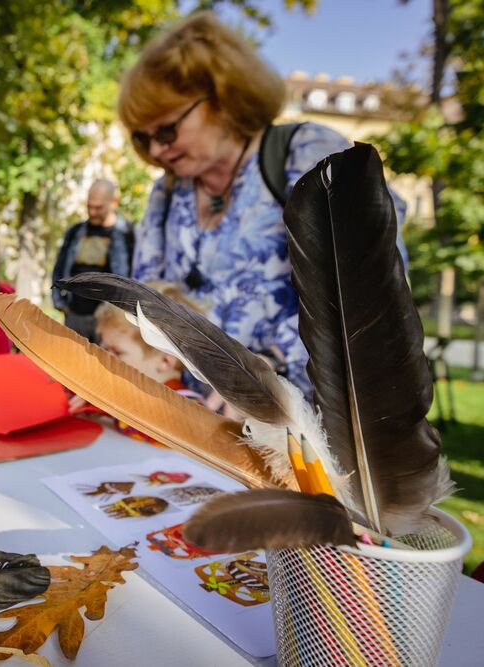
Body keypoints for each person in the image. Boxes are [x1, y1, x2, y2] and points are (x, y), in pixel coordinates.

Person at [118, 12, 408, 396]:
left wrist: (268, 371)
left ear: (220, 98)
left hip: (305, 421)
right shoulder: (167, 191)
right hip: (192, 416)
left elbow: (369, 297)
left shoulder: (308, 155)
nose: (156, 149)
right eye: (143, 139)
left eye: (167, 130)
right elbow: (147, 303)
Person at [69, 289, 204, 443]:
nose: (105, 358)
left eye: (118, 353)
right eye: (105, 348)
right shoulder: (129, 393)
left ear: (165, 362)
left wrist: (110, 407)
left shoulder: (189, 410)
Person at [52, 179, 134, 342]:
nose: (92, 212)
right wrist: (60, 303)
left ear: (114, 202)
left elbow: (134, 277)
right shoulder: (75, 232)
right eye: (89, 206)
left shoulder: (128, 235)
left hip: (110, 320)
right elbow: (59, 269)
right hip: (75, 316)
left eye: (98, 207)